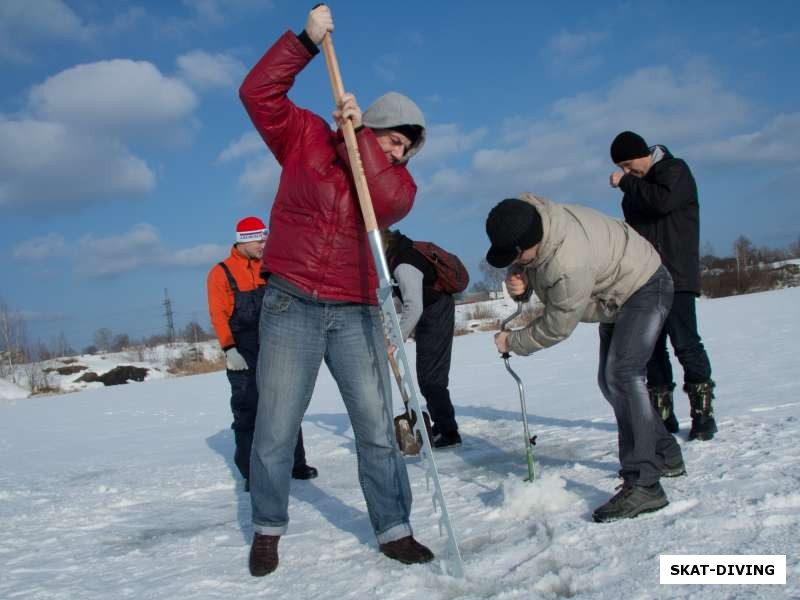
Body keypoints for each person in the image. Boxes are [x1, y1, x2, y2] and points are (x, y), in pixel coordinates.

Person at [239, 5, 432, 577]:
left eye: (405, 149)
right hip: (291, 302)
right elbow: (256, 94)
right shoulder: (305, 140)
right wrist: (304, 42)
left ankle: (394, 528)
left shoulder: (396, 182)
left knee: (375, 427)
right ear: (371, 124)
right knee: (275, 427)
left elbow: (385, 198)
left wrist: (366, 147)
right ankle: (268, 527)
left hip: (355, 311)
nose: (398, 154)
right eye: (392, 140)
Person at [486, 194, 686, 523]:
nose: (516, 260)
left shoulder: (568, 262)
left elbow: (557, 325)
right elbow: (533, 271)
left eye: (517, 254)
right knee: (610, 381)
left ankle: (645, 482)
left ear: (531, 242)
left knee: (622, 375)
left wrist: (514, 341)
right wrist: (519, 284)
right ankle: (665, 453)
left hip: (644, 286)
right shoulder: (530, 219)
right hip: (614, 293)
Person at [609, 131, 717, 441]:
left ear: (645, 153)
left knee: (685, 344)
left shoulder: (675, 171)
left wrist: (627, 182)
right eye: (624, 168)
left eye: (630, 165)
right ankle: (663, 418)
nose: (628, 172)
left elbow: (662, 202)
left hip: (678, 276)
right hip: (645, 281)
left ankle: (703, 414)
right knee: (651, 350)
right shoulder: (635, 187)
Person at [206, 217, 317, 492]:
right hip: (242, 350)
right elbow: (218, 314)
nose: (263, 245)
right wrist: (229, 348)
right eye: (258, 240)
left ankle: (295, 463)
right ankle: (251, 472)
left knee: (286, 403)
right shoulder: (221, 273)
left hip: (276, 344)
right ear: (243, 241)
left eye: (265, 239)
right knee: (248, 409)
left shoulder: (271, 267)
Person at [384, 230, 461, 449]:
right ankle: (443, 425)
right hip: (432, 311)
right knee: (428, 375)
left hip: (435, 311)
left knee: (431, 377)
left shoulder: (403, 263)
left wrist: (395, 341)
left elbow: (413, 307)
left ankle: (449, 433)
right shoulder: (398, 256)